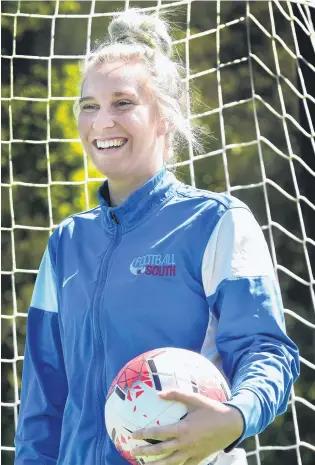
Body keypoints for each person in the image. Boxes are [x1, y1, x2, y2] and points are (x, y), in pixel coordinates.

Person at [15, 9, 299, 465]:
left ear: (165, 117)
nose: (102, 121)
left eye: (123, 103)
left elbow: (265, 350)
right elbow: (42, 404)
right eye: (89, 106)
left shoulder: (216, 221)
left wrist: (233, 416)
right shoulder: (66, 243)